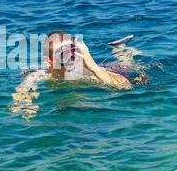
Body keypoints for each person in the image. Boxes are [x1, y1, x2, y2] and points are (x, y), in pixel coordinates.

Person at [9, 31, 148, 119]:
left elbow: (125, 87)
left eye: (73, 53)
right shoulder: (39, 74)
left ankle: (121, 48)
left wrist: (92, 66)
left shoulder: (86, 73)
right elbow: (23, 90)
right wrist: (24, 104)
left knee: (129, 65)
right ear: (48, 61)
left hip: (107, 70)